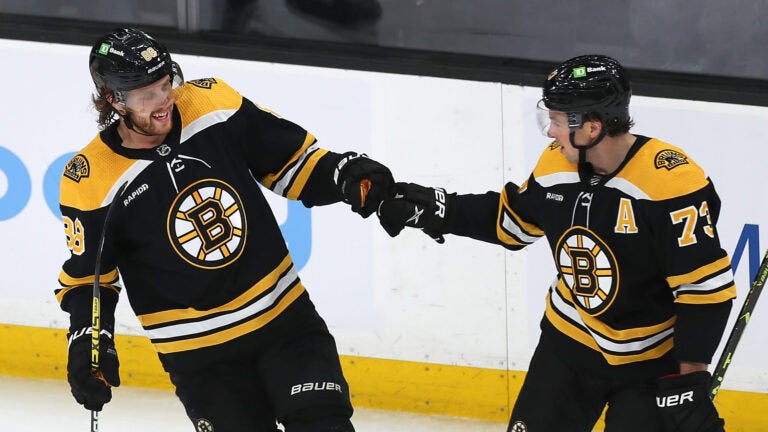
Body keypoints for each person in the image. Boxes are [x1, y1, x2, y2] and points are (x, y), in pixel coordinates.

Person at [56, 27, 394, 432]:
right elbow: (90, 281)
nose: (164, 100)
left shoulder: (210, 102)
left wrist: (342, 175)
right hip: (201, 357)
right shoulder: (91, 177)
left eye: (166, 83)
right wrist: (87, 343)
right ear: (114, 99)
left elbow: (292, 164)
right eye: (147, 93)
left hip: (284, 321)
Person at [377, 54, 735, 432]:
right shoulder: (556, 164)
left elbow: (703, 291)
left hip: (649, 364)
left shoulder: (671, 183)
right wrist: (438, 210)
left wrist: (688, 382)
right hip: (568, 344)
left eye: (558, 121)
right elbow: (512, 221)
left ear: (592, 128)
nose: (550, 132)